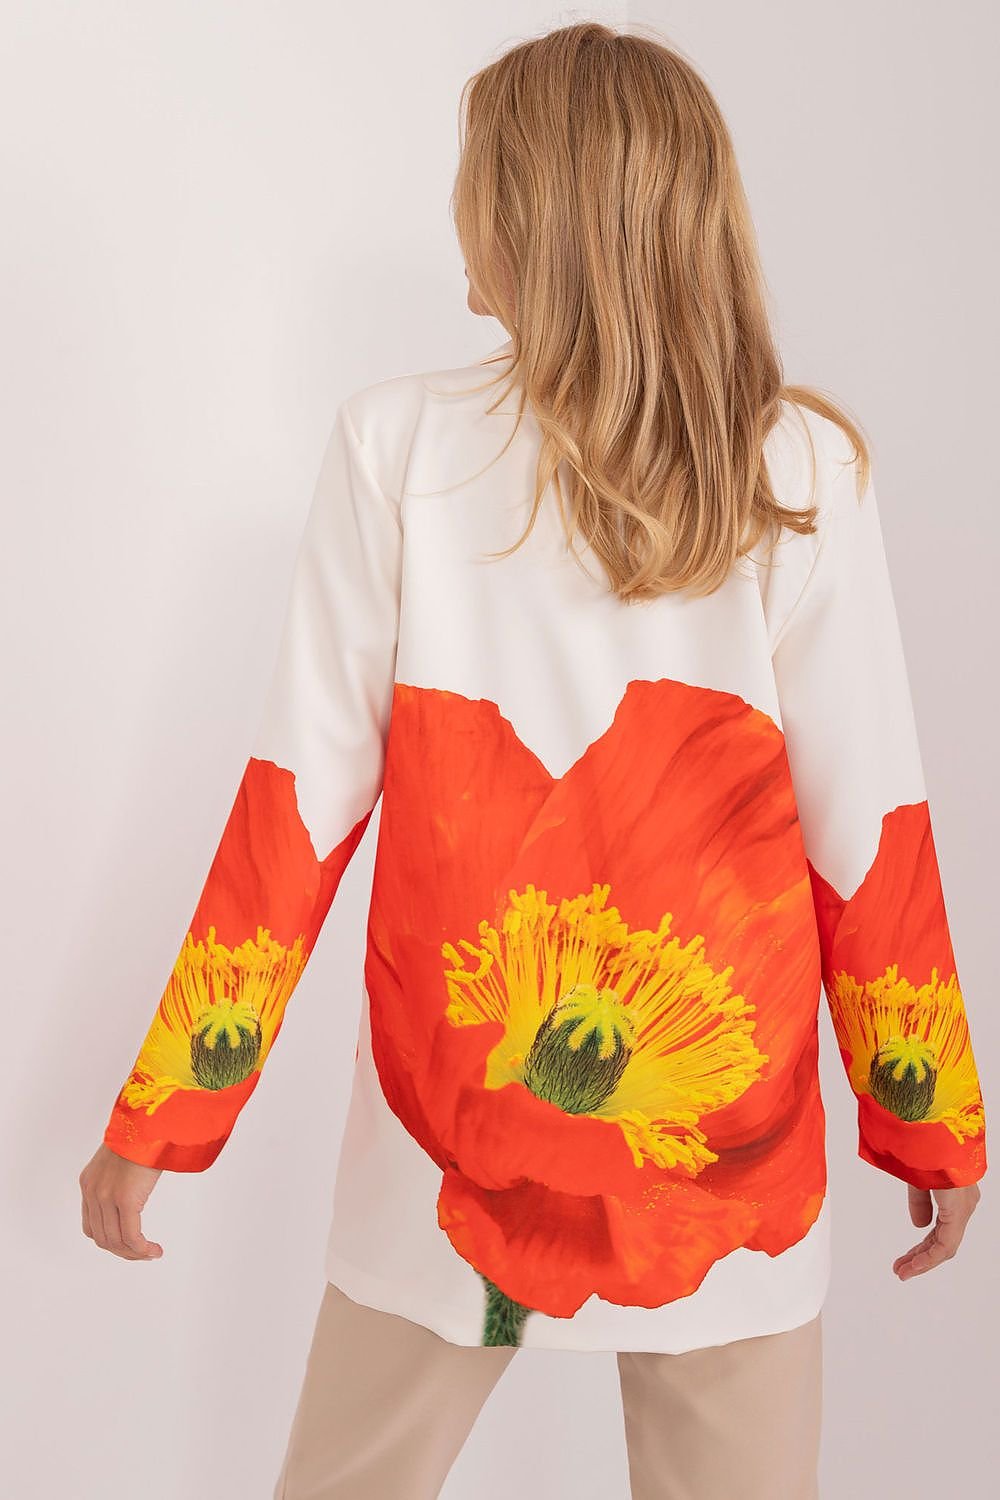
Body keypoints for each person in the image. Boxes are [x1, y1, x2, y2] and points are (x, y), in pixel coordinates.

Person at [78, 20, 986, 1500]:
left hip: (455, 1114)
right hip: (724, 1144)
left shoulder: (398, 445)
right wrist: (929, 1121)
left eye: (475, 178)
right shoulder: (801, 467)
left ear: (529, 212)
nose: (455, 215)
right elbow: (865, 823)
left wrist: (168, 1113)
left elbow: (295, 813)